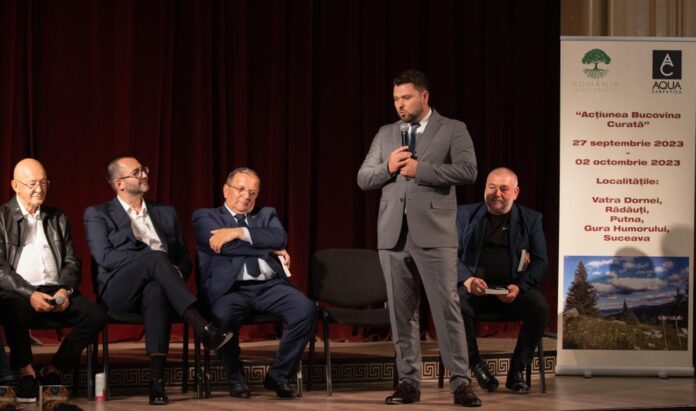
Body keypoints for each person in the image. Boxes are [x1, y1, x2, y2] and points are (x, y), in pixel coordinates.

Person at [357, 69, 480, 407]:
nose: (400, 105)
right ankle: (408, 383)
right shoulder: (386, 134)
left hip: (435, 234)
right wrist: (388, 167)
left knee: (446, 310)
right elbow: (364, 178)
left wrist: (420, 170)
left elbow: (468, 170)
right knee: (401, 314)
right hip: (393, 235)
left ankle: (460, 382)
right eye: (396, 99)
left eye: (406, 97)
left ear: (424, 96)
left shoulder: (452, 128)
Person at [83, 156, 232, 406]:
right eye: (136, 172)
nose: (144, 175)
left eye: (144, 169)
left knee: (156, 291)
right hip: (119, 290)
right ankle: (202, 326)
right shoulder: (98, 214)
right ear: (119, 183)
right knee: (155, 257)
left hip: (163, 287)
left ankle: (156, 382)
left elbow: (184, 258)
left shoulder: (165, 212)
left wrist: (174, 271)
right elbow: (105, 257)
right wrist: (152, 261)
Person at [192, 167, 315, 400]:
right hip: (231, 291)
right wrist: (265, 248)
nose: (246, 196)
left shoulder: (266, 214)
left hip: (269, 287)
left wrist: (238, 232)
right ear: (226, 190)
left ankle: (278, 375)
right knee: (223, 316)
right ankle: (236, 379)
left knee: (305, 309)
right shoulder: (205, 216)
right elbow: (221, 247)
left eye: (252, 192)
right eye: (241, 189)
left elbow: (280, 237)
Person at [0, 158, 106, 403]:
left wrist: (65, 290)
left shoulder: (57, 217)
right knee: (10, 306)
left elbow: (72, 261)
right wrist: (29, 293)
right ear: (15, 186)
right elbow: (1, 269)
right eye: (32, 184)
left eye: (44, 182)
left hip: (56, 291)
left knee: (96, 314)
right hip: (19, 293)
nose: (39, 189)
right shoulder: (2, 217)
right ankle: (26, 373)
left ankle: (54, 368)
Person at [456, 167, 549, 394]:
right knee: (454, 303)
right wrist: (468, 279)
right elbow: (449, 254)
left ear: (515, 192)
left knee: (539, 308)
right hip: (476, 291)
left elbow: (541, 261)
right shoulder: (464, 215)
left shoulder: (531, 219)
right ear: (484, 189)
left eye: (504, 189)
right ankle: (475, 364)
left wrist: (520, 286)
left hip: (512, 290)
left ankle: (516, 370)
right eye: (492, 187)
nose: (497, 193)